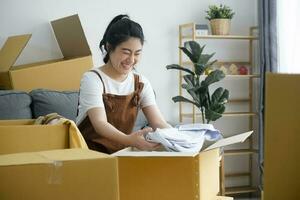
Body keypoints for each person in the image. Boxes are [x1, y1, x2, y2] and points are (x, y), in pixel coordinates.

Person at [76, 14, 171, 154]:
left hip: (120, 154)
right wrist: (130, 140)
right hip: (89, 155)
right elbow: (100, 124)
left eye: (137, 53)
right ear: (109, 47)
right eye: (126, 52)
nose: (131, 60)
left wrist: (180, 138)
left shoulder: (141, 83)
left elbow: (158, 123)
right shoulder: (92, 79)